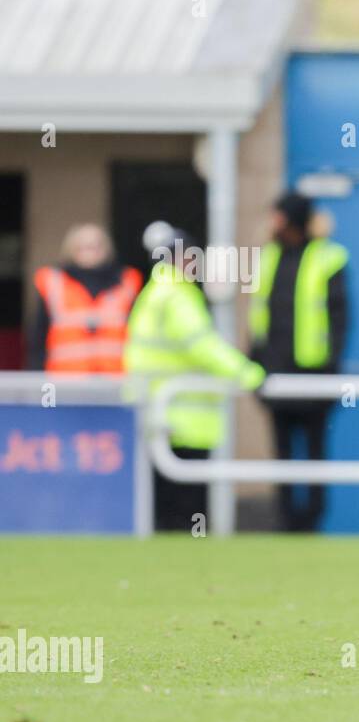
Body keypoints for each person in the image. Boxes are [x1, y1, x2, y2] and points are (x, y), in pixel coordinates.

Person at [124, 225, 265, 531]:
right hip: (182, 416)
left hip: (161, 412)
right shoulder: (177, 295)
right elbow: (202, 346)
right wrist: (250, 375)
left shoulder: (156, 292)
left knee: (165, 503)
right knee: (185, 509)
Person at [248, 193, 349, 532]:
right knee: (283, 452)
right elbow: (259, 314)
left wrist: (331, 371)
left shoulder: (329, 257)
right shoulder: (268, 256)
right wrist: (256, 364)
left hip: (314, 373)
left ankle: (312, 520)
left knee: (316, 450)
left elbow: (339, 319)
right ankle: (286, 520)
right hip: (275, 373)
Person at [29, 224, 141, 373]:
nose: (90, 251)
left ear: (107, 248)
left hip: (115, 379)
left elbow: (140, 333)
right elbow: (38, 337)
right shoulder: (54, 282)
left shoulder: (127, 281)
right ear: (70, 249)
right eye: (83, 246)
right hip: (66, 379)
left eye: (96, 245)